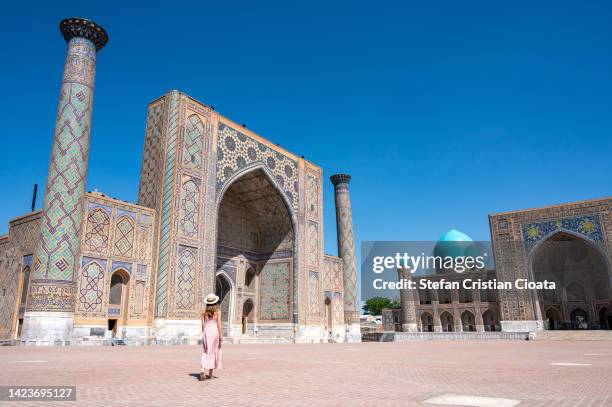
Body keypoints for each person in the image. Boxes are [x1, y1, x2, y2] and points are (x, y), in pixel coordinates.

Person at [200, 293, 223, 382]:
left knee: (205, 351)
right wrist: (221, 336)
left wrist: (204, 333)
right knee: (213, 352)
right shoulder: (217, 312)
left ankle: (202, 370)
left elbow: (202, 324)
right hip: (214, 332)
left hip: (206, 331)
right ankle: (210, 374)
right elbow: (219, 324)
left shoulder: (204, 312)